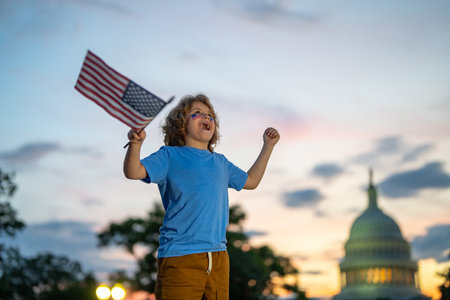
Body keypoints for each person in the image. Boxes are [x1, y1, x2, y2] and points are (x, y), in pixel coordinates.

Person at [123, 94, 280, 300]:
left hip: (219, 259)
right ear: (180, 124)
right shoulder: (169, 156)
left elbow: (251, 181)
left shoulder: (221, 163)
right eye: (197, 114)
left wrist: (268, 147)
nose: (206, 118)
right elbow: (133, 171)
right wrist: (135, 145)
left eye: (210, 115)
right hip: (180, 257)